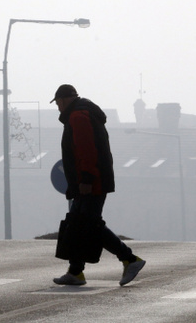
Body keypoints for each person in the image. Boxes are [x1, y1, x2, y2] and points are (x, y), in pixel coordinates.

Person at [51, 84, 146, 286]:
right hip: (91, 180)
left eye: (58, 103)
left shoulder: (78, 117)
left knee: (90, 225)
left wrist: (86, 179)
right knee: (79, 224)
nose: (58, 107)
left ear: (65, 100)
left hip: (91, 181)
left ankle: (130, 259)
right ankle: (75, 272)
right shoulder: (82, 114)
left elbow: (86, 150)